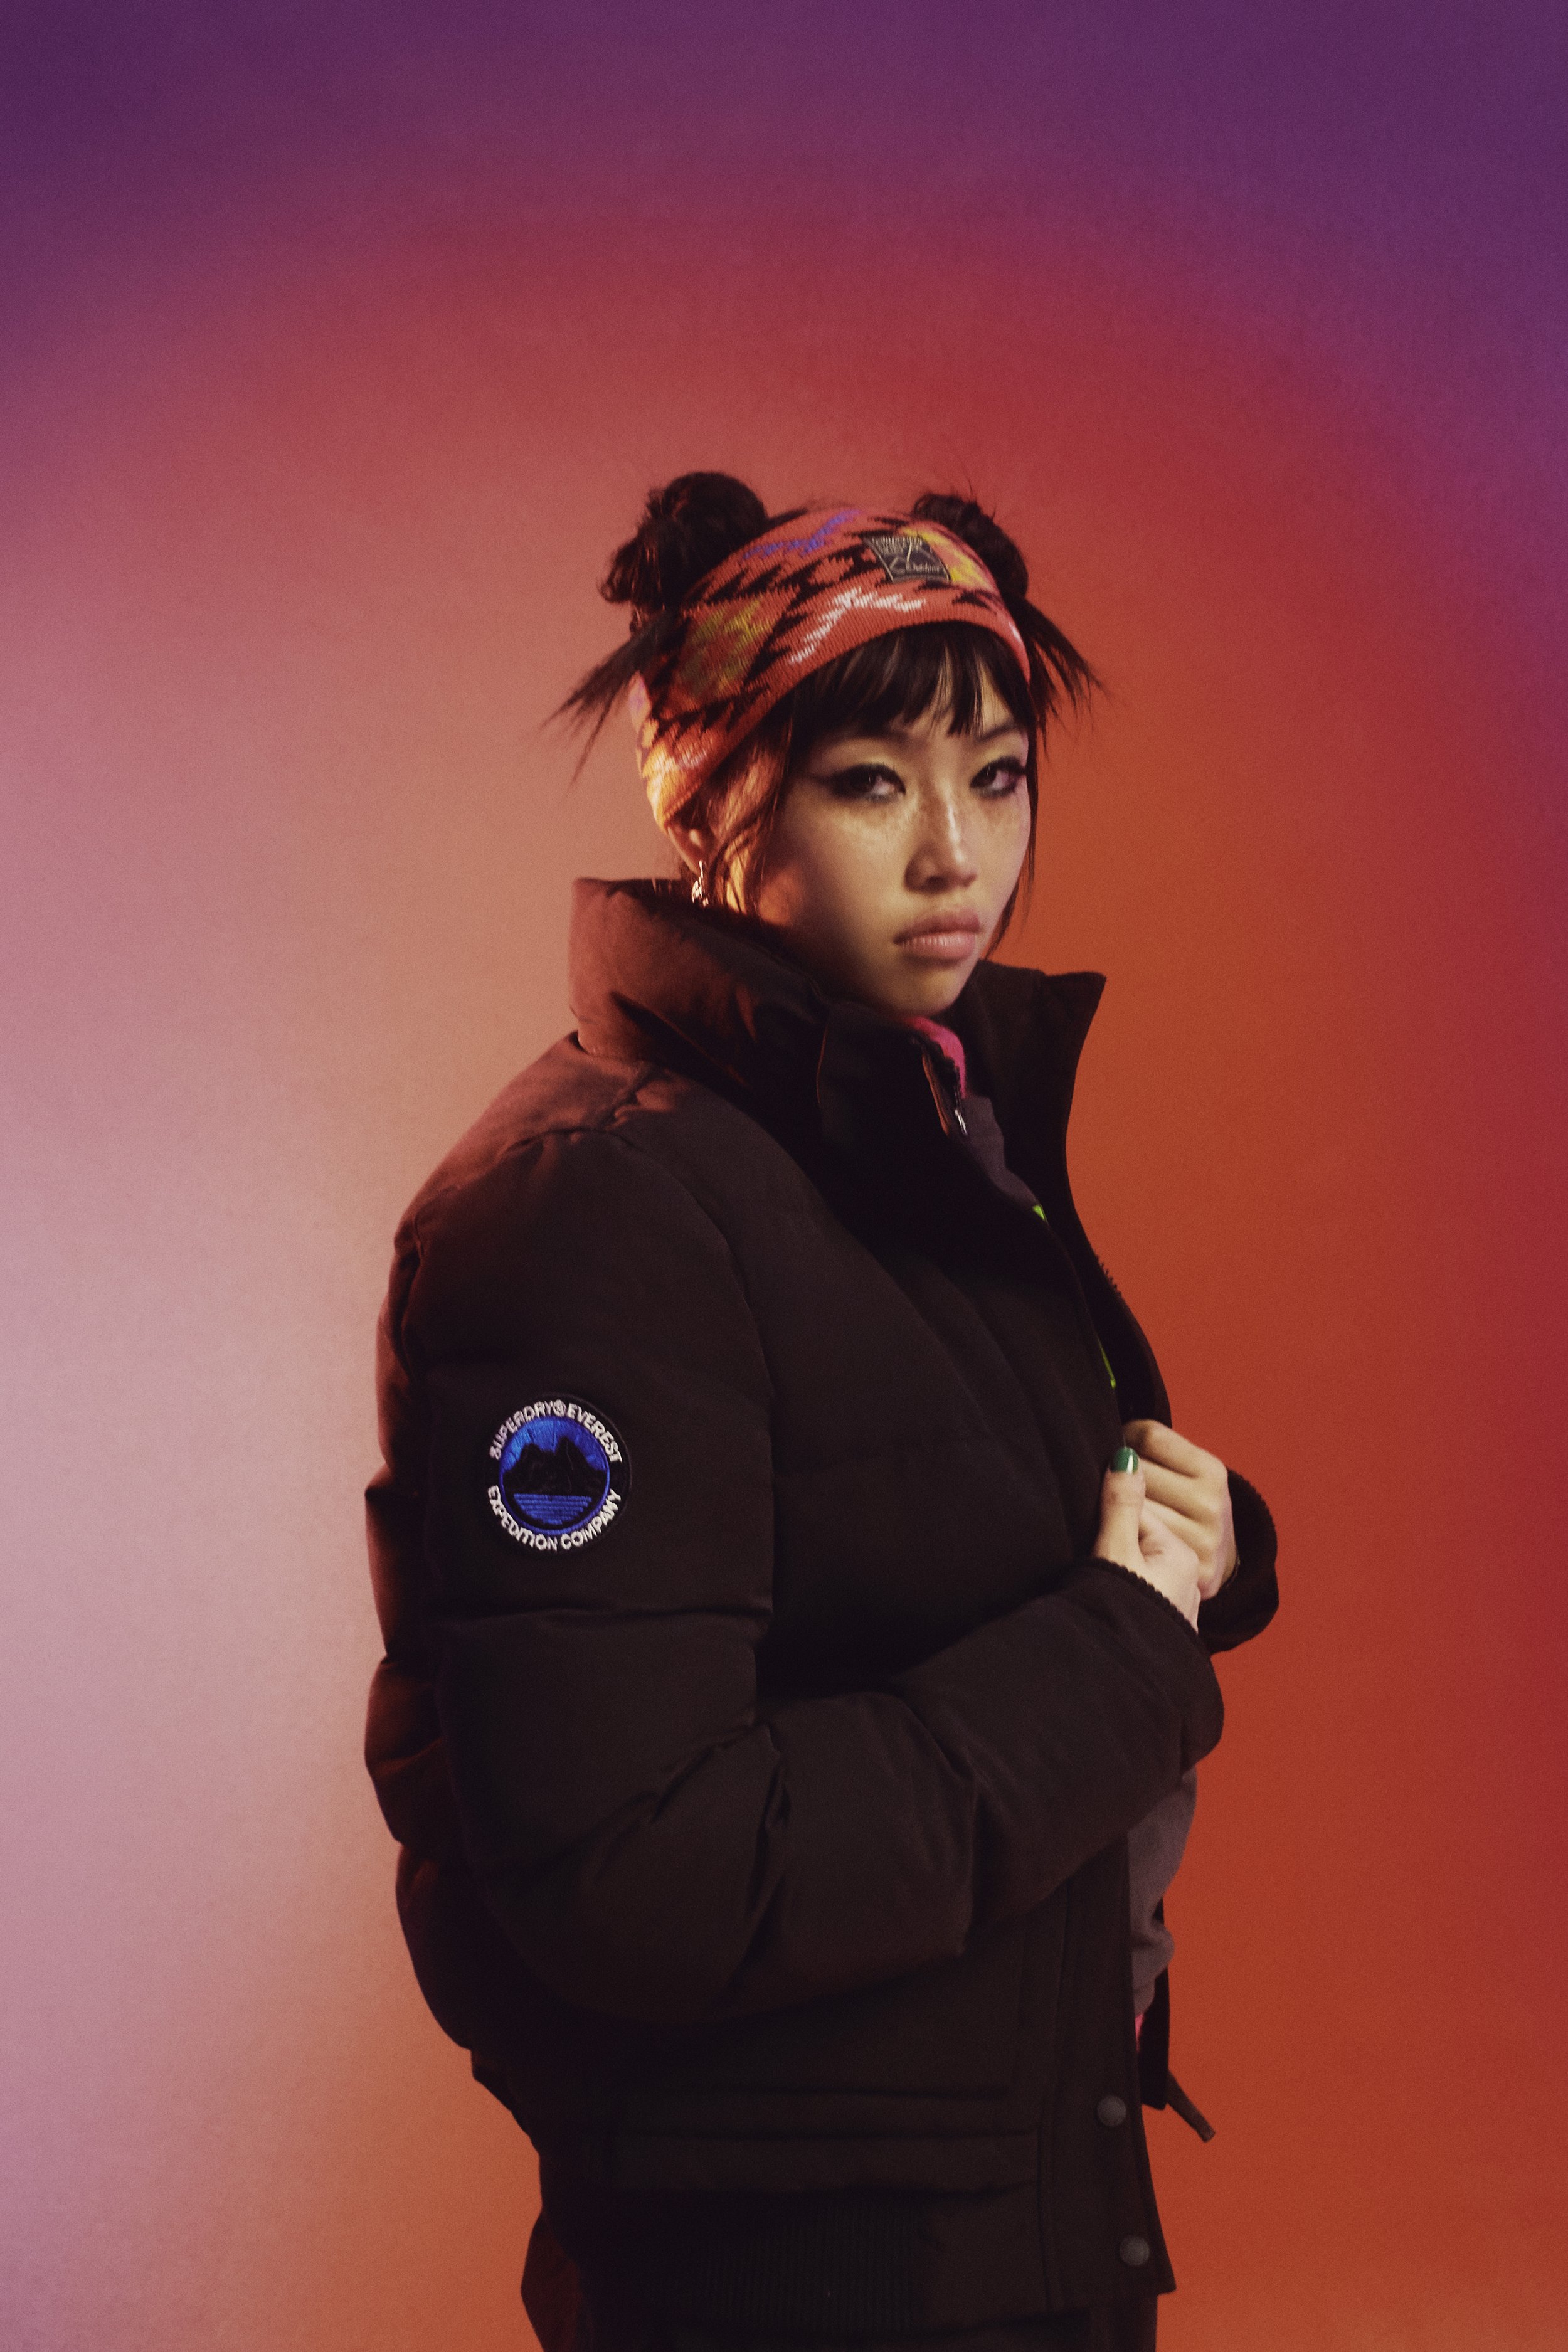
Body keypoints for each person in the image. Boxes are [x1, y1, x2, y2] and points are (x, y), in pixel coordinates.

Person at [364, 476, 1279, 2352]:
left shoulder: (905, 1131)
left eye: (998, 778)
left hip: (1004, 2208)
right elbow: (634, 1870)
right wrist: (1121, 1640)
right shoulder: (593, 1213)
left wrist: (1198, 1547)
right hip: (799, 2277)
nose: (956, 855)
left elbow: (910, 1532)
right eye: (871, 784)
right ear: (714, 809)